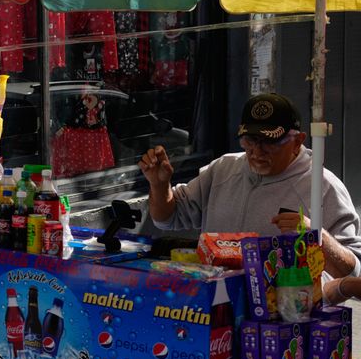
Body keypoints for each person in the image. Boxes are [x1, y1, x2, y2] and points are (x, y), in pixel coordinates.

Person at [140, 92, 361, 279]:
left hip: (287, 311)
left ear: (297, 141)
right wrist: (159, 186)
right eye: (250, 141)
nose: (257, 151)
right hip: (217, 303)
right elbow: (167, 218)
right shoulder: (223, 169)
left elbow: (353, 273)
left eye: (270, 142)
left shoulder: (323, 187)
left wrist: (316, 235)